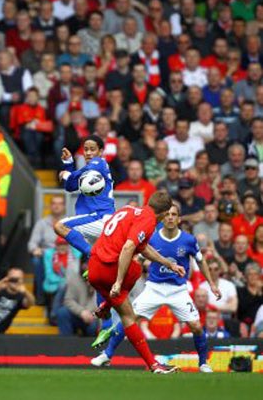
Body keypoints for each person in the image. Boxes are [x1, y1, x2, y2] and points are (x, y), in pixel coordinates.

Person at [91, 204, 221, 373]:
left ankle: (203, 363)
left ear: (179, 219)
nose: (170, 217)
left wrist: (211, 284)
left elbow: (201, 260)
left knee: (196, 326)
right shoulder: (151, 237)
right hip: (154, 287)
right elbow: (136, 255)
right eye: (167, 214)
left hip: (178, 289)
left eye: (174, 214)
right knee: (129, 319)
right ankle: (107, 354)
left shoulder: (188, 240)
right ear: (163, 217)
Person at [87, 192, 184, 373]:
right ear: (163, 213)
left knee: (125, 305)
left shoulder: (129, 210)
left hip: (94, 268)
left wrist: (168, 263)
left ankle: (107, 305)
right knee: (129, 314)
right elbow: (129, 247)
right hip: (110, 269)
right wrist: (118, 281)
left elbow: (142, 247)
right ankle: (154, 365)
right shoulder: (148, 221)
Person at [55, 135, 115, 260]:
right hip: (95, 220)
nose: (88, 153)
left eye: (92, 149)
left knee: (60, 226)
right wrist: (69, 164)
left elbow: (73, 176)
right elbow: (70, 187)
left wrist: (66, 174)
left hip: (99, 217)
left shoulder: (99, 163)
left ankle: (92, 255)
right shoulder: (88, 170)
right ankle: (95, 259)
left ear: (100, 151)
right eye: (85, 149)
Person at [0, 268, 35, 334]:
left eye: (17, 279)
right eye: (12, 278)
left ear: (22, 280)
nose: (14, 281)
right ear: (7, 277)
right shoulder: (1, 289)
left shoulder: (21, 295)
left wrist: (25, 291)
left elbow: (31, 303)